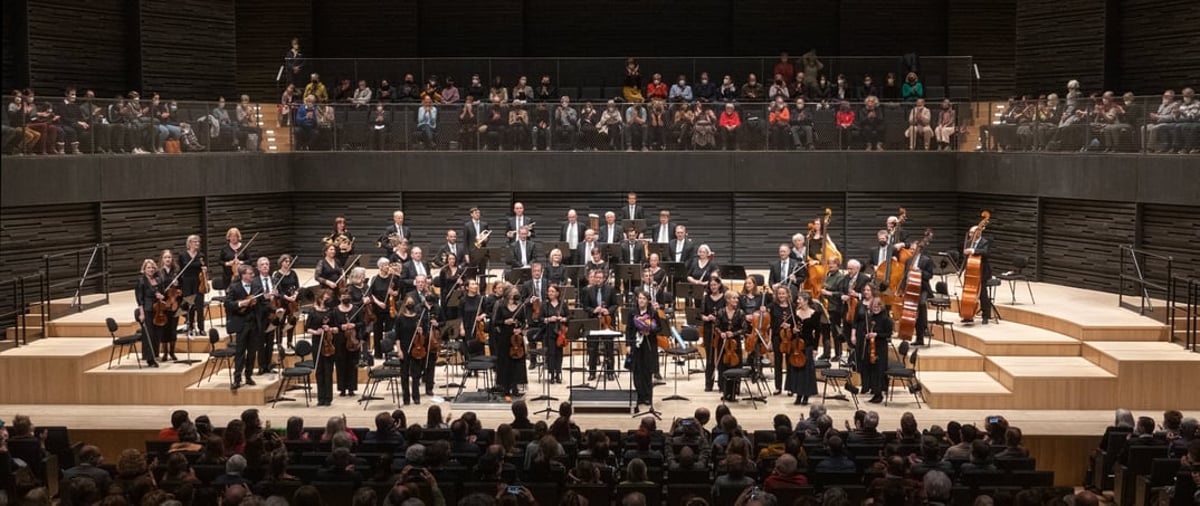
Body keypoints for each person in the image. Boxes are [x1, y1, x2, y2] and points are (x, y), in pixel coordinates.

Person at [627, 291, 664, 408]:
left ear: (648, 301)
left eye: (643, 298)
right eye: (639, 298)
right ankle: (639, 396)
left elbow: (659, 328)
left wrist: (649, 330)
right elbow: (629, 329)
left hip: (649, 345)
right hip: (636, 345)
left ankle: (648, 397)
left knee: (647, 371)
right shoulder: (632, 312)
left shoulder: (653, 313)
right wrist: (628, 344)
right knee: (637, 371)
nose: (641, 300)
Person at [580, 269, 619, 380]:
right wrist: (593, 310)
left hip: (607, 321)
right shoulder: (589, 290)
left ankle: (610, 371)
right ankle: (592, 372)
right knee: (592, 348)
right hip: (594, 321)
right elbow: (585, 306)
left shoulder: (610, 290)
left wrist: (608, 310)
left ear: (604, 279)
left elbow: (615, 304)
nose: (598, 279)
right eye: (596, 277)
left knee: (609, 347)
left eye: (600, 278)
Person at [854, 298, 893, 403]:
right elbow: (863, 331)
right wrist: (866, 335)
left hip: (880, 347)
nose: (876, 309)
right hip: (870, 347)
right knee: (873, 370)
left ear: (881, 307)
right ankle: (875, 392)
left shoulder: (886, 319)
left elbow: (888, 334)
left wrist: (877, 335)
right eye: (874, 307)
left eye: (878, 307)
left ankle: (879, 394)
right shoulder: (870, 318)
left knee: (879, 370)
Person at [493, 286, 528, 400]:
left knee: (516, 363)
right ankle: (505, 388)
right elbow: (495, 322)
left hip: (516, 339)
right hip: (505, 337)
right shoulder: (501, 306)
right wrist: (504, 321)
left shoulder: (520, 306)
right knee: (505, 364)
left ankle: (515, 387)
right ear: (507, 294)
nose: (515, 294)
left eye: (516, 293)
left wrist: (520, 330)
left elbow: (523, 322)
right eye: (513, 293)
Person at [787, 291, 821, 405]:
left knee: (807, 371)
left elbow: (817, 333)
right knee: (797, 371)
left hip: (807, 345)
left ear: (806, 301)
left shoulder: (814, 314)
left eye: (799, 300)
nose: (798, 302)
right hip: (796, 346)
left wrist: (815, 349)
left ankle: (806, 395)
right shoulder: (795, 314)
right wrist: (793, 330)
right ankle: (798, 394)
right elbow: (790, 331)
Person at [715, 290, 748, 402]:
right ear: (728, 299)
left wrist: (733, 334)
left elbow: (744, 329)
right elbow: (716, 326)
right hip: (723, 344)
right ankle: (725, 391)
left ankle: (733, 392)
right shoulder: (720, 312)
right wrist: (721, 333)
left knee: (735, 367)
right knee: (723, 367)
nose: (736, 300)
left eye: (737, 298)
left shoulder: (740, 313)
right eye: (734, 298)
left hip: (735, 344)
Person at [306, 288, 336, 406]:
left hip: (328, 343)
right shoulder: (313, 311)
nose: (327, 300)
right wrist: (316, 332)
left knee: (328, 371)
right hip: (317, 342)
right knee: (319, 371)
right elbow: (307, 328)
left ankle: (328, 398)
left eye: (329, 298)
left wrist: (330, 329)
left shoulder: (331, 311)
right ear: (319, 298)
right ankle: (320, 397)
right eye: (325, 298)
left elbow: (336, 327)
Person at [133, 260, 166, 368]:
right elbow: (139, 299)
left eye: (152, 268)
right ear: (144, 269)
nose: (151, 270)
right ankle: (149, 359)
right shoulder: (141, 281)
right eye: (148, 268)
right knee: (149, 335)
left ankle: (155, 354)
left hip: (158, 310)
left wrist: (162, 296)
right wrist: (141, 314)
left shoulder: (158, 279)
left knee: (158, 334)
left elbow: (163, 293)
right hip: (147, 310)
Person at [699, 276, 727, 392]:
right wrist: (707, 317)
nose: (713, 287)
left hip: (720, 330)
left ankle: (721, 384)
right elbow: (700, 314)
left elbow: (727, 313)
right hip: (708, 330)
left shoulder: (725, 298)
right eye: (711, 285)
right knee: (710, 358)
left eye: (715, 285)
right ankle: (708, 384)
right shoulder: (706, 298)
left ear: (719, 285)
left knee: (721, 357)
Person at [962, 225, 993, 324]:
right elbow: (966, 256)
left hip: (982, 271)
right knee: (969, 294)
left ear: (979, 232)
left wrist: (974, 251)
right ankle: (968, 314)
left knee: (982, 294)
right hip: (971, 271)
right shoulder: (968, 242)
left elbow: (986, 252)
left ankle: (986, 316)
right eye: (970, 233)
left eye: (972, 233)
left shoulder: (985, 242)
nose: (970, 235)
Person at [541, 284, 569, 384]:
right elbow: (540, 319)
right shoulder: (545, 305)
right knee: (551, 354)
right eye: (549, 291)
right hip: (549, 332)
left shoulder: (563, 304)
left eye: (552, 291)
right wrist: (549, 319)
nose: (550, 293)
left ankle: (558, 374)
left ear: (557, 293)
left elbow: (569, 316)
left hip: (560, 332)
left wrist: (563, 318)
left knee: (559, 354)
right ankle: (551, 374)